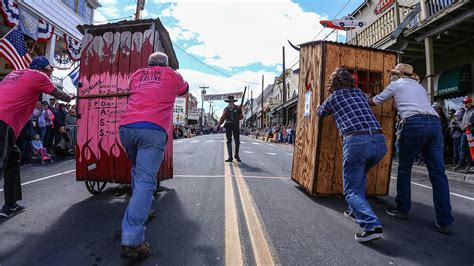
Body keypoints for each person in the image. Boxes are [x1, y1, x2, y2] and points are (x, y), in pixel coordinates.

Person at [369, 63, 454, 234]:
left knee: (405, 168)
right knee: (438, 173)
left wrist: (363, 98)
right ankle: (444, 220)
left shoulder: (395, 85)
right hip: (434, 123)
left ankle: (402, 209)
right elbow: (405, 105)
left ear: (397, 75)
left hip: (414, 124)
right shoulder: (419, 87)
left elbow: (375, 101)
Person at [118, 52, 188, 260]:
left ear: (148, 64)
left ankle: (145, 208)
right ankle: (132, 240)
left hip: (127, 129)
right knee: (145, 181)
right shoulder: (172, 75)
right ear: (165, 64)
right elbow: (184, 90)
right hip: (153, 130)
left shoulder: (138, 74)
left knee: (138, 173)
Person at [317, 67, 386, 243]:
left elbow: (320, 113)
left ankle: (371, 226)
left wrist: (317, 103)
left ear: (333, 84)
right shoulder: (359, 93)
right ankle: (354, 210)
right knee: (360, 177)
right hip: (379, 142)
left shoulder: (334, 98)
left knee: (351, 189)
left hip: (357, 142)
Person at [0, 56, 74, 218]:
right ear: (43, 68)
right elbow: (57, 93)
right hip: (4, 121)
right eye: (49, 70)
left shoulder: (14, 73)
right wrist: (71, 97)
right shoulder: (38, 75)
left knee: (13, 158)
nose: (51, 72)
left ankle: (10, 204)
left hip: (6, 122)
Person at [218, 95, 243, 162]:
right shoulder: (226, 109)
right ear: (228, 102)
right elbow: (222, 118)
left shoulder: (238, 108)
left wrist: (240, 111)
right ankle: (230, 157)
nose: (230, 103)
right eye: (229, 102)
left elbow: (241, 117)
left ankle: (236, 155)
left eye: (231, 101)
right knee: (229, 140)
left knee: (237, 140)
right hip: (228, 125)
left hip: (235, 125)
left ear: (233, 102)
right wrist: (218, 125)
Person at [454, 96, 474, 172]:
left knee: (470, 150)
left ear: (470, 103)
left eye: (466, 103)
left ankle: (469, 165)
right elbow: (463, 123)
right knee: (462, 148)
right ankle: (461, 164)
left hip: (471, 133)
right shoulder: (466, 111)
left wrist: (470, 125)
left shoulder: (473, 111)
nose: (465, 104)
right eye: (464, 103)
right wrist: (459, 126)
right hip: (464, 132)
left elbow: (471, 123)